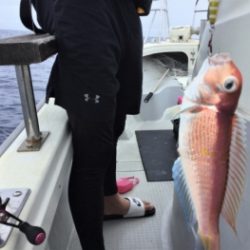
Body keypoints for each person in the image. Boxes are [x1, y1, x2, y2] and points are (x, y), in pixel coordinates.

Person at [30, 0, 155, 249]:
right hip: (82, 11)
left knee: (115, 123)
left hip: (124, 13)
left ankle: (109, 201)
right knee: (93, 152)